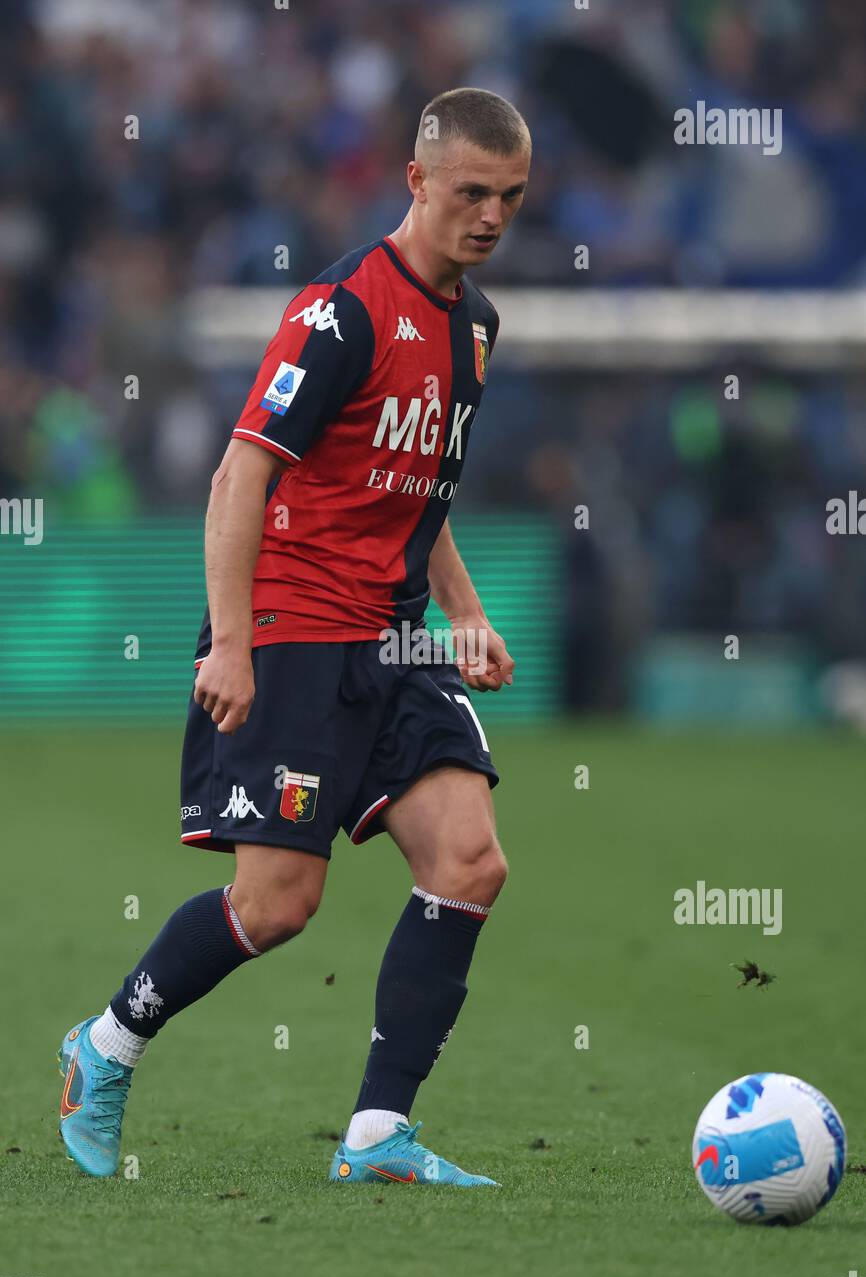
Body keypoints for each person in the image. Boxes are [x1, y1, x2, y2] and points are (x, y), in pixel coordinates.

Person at [58, 87, 531, 1187]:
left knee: (468, 860)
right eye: (470, 192)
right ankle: (105, 1044)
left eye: (509, 196)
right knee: (278, 906)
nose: (490, 216)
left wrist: (462, 612)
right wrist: (229, 642)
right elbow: (242, 472)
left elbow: (415, 487)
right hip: (294, 629)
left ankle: (375, 1136)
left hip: (397, 634)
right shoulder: (342, 312)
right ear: (414, 181)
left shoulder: (477, 326)